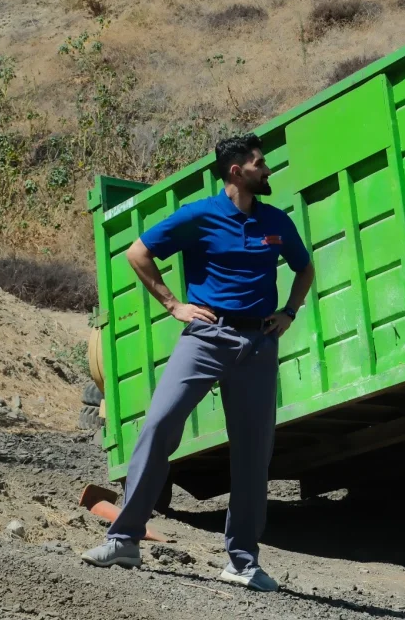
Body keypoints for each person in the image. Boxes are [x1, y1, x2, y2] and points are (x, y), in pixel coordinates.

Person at [81, 134, 316, 592]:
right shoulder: (200, 216)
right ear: (236, 172)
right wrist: (174, 305)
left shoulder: (275, 221)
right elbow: (138, 253)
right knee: (158, 426)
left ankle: (242, 562)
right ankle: (124, 540)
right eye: (260, 164)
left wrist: (289, 311)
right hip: (207, 337)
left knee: (253, 453)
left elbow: (303, 267)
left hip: (258, 343)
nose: (267, 170)